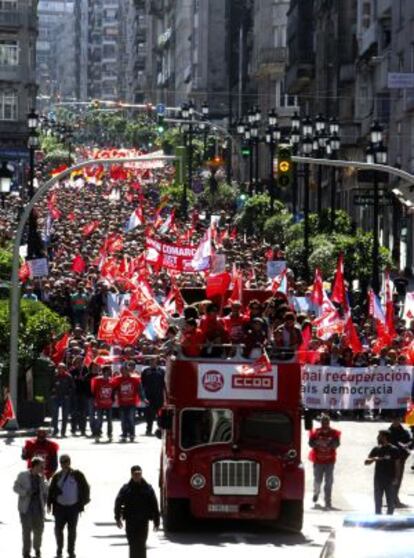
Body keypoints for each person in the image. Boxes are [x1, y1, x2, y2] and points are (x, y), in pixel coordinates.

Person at [47, 454, 90, 558]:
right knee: (58, 530)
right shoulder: (57, 476)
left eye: (65, 461)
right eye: (62, 462)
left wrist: (83, 502)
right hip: (59, 508)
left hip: (73, 508)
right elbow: (51, 490)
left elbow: (86, 488)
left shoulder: (77, 474)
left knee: (72, 531)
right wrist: (49, 504)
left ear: (69, 462)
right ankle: (59, 550)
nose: (64, 464)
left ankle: (71, 551)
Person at [114, 465, 160, 558]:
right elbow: (118, 503)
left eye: (139, 474)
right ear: (131, 475)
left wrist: (156, 522)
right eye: (135, 474)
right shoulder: (126, 489)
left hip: (143, 521)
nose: (138, 476)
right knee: (133, 544)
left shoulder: (148, 488)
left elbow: (154, 505)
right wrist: (117, 518)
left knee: (142, 544)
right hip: (130, 522)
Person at [14, 456, 48, 558]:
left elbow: (46, 491)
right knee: (27, 532)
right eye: (41, 467)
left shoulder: (42, 477)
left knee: (39, 530)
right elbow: (15, 487)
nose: (43, 469)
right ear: (35, 466)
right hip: (26, 509)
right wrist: (25, 492)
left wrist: (43, 480)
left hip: (38, 509)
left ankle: (37, 548)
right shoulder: (23, 475)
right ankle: (26, 553)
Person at [365, 430, 401, 515]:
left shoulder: (394, 449)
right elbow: (366, 462)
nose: (378, 437)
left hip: (390, 479)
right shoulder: (376, 449)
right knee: (378, 501)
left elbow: (398, 465)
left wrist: (396, 478)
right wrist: (375, 459)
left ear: (385, 437)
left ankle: (390, 518)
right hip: (378, 479)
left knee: (390, 501)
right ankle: (378, 517)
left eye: (380, 435)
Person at [308, 415, 341, 510]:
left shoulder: (334, 433)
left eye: (326, 422)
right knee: (317, 480)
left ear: (329, 423)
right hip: (318, 461)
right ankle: (316, 493)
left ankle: (328, 500)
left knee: (329, 481)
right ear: (321, 423)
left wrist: (331, 445)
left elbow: (337, 444)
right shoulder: (316, 432)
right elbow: (310, 443)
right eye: (323, 422)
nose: (325, 424)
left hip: (330, 461)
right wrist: (317, 443)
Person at [112, 361, 141, 442]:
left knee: (131, 418)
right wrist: (112, 398)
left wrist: (143, 398)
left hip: (132, 402)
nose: (124, 371)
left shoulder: (135, 379)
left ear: (129, 371)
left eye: (126, 370)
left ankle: (132, 434)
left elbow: (140, 390)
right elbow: (113, 389)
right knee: (123, 419)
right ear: (121, 371)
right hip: (122, 402)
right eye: (123, 370)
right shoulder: (117, 379)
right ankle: (124, 433)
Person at [387, 416, 412, 508]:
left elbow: (410, 444)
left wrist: (405, 452)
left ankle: (394, 499)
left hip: (400, 460)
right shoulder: (387, 433)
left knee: (397, 480)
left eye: (397, 419)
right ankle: (392, 499)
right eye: (394, 419)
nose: (396, 421)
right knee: (390, 480)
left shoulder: (405, 433)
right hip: (389, 461)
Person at [141, 357, 165, 436]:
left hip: (159, 396)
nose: (152, 362)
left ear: (156, 361)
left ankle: (160, 430)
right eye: (150, 361)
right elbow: (143, 385)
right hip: (149, 397)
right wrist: (144, 397)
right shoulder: (145, 371)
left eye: (153, 361)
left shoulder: (162, 371)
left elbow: (165, 385)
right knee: (149, 415)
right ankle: (149, 430)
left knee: (160, 415)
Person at [50, 362, 75, 437]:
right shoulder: (55, 376)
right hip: (56, 398)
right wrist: (52, 394)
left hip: (65, 398)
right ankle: (55, 430)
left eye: (62, 368)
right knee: (55, 415)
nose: (60, 369)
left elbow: (72, 387)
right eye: (59, 368)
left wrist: (68, 395)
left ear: (64, 369)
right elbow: (50, 386)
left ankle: (63, 431)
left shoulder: (68, 376)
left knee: (65, 415)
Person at [91, 365, 114, 442]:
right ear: (104, 372)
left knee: (109, 420)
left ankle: (109, 434)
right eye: (108, 371)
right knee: (99, 420)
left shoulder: (112, 380)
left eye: (110, 371)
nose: (110, 372)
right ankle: (97, 434)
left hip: (109, 404)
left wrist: (112, 400)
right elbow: (93, 391)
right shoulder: (97, 380)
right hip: (99, 403)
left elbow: (113, 391)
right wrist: (95, 400)